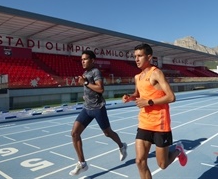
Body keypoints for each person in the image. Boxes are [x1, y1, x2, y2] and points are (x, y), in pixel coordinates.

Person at [122, 43, 187, 179]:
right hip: (144, 123)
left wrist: (149, 102)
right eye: (135, 56)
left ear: (149, 57)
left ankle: (177, 151)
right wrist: (130, 97)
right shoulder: (137, 77)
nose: (136, 59)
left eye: (140, 56)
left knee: (162, 164)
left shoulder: (156, 73)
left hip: (160, 124)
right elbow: (138, 94)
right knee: (139, 161)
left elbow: (171, 96)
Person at [69, 50, 127, 176]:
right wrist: (86, 95)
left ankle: (122, 146)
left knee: (107, 133)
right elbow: (89, 89)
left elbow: (100, 89)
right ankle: (82, 163)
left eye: (85, 59)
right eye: (81, 59)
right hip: (87, 108)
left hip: (98, 108)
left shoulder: (96, 72)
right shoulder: (85, 73)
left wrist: (85, 83)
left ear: (92, 60)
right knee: (74, 133)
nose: (82, 61)